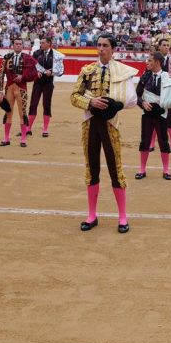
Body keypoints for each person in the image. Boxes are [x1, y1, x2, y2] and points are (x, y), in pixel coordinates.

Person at [70, 32, 139, 233]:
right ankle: (92, 215)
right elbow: (74, 96)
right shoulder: (87, 70)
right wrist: (90, 101)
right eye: (99, 45)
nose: (101, 49)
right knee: (92, 168)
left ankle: (123, 216)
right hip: (90, 123)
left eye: (105, 45)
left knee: (115, 169)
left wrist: (116, 104)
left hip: (110, 124)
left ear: (113, 48)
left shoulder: (123, 72)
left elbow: (132, 101)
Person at [135, 51, 171, 180]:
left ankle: (166, 170)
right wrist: (142, 103)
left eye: (150, 60)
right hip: (147, 114)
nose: (147, 62)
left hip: (162, 114)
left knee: (163, 141)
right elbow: (136, 95)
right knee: (145, 141)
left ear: (157, 63)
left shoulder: (168, 77)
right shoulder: (145, 77)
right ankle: (142, 169)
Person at [0, 40, 39, 147]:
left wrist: (23, 77)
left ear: (22, 46)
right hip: (9, 89)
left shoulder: (27, 58)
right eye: (16, 44)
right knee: (8, 113)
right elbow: (1, 74)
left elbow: (34, 71)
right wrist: (0, 91)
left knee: (22, 113)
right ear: (13, 46)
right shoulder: (7, 57)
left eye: (20, 44)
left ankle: (23, 139)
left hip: (21, 89)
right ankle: (6, 138)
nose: (18, 45)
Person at [29, 36, 65, 137]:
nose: (41, 44)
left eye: (43, 43)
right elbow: (31, 67)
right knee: (33, 104)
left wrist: (52, 72)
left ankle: (45, 129)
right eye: (41, 43)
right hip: (38, 82)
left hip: (48, 83)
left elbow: (61, 71)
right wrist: (36, 73)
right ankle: (29, 128)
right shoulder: (36, 53)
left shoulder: (56, 55)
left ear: (49, 43)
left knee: (46, 105)